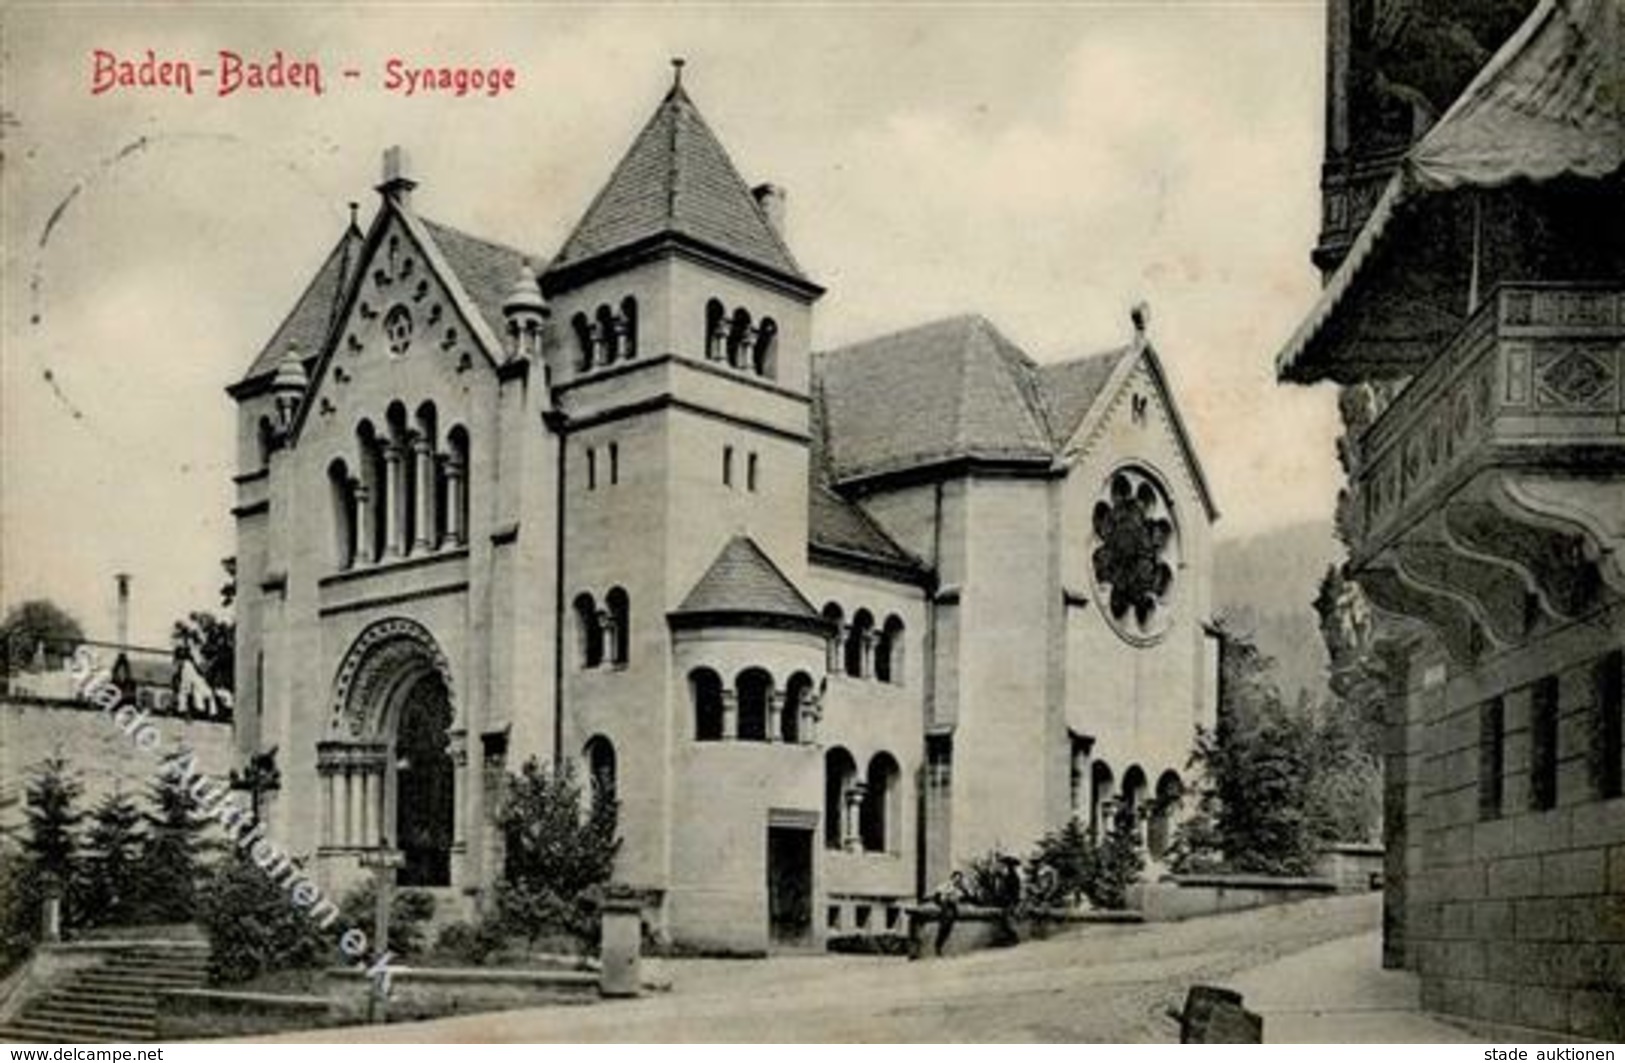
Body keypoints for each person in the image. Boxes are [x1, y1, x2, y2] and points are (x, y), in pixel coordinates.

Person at [931, 870, 967, 956]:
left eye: (959, 879)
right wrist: (943, 899)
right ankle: (938, 945)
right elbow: (937, 896)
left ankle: (940, 945)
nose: (957, 881)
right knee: (946, 922)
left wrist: (961, 891)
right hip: (944, 904)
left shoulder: (960, 888)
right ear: (952, 878)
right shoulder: (945, 885)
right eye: (956, 878)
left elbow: (963, 897)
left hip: (952, 906)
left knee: (948, 924)